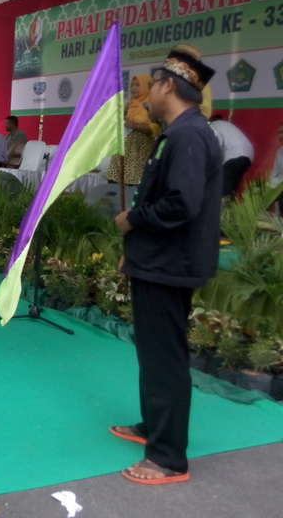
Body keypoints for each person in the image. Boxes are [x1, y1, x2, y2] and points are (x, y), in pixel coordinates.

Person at [113, 44, 221, 485]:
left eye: (149, 87)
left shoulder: (189, 135)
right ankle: (153, 427)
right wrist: (133, 248)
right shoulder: (175, 133)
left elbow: (180, 204)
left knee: (165, 358)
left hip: (171, 264)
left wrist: (131, 220)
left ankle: (169, 457)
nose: (144, 99)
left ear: (166, 87)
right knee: (152, 352)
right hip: (156, 260)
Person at [107, 74, 162, 185]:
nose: (133, 88)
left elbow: (156, 128)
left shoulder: (152, 104)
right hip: (122, 153)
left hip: (139, 153)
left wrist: (135, 125)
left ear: (147, 87)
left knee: (134, 186)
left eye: (138, 85)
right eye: (132, 85)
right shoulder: (129, 104)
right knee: (114, 184)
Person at [209, 114, 254, 197]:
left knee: (223, 190)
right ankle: (230, 205)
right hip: (248, 155)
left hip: (233, 155)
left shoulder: (213, 126)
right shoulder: (227, 125)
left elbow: (216, 145)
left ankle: (224, 207)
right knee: (231, 187)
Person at [270, 123, 283, 215]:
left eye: (282, 132)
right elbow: (274, 174)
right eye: (279, 133)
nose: (280, 135)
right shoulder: (279, 151)